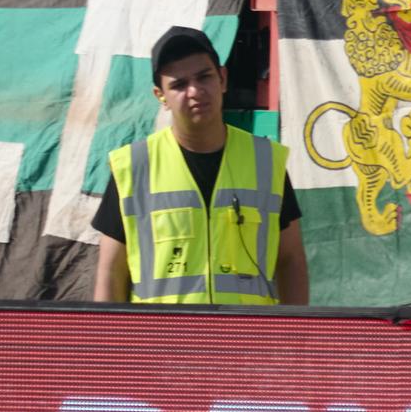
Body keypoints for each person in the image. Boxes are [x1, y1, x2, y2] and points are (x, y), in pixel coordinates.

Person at [94, 27, 307, 306]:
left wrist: (293, 342)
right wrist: (112, 346)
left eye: (204, 77)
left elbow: (291, 260)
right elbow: (111, 273)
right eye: (179, 84)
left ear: (223, 79)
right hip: (161, 344)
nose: (195, 91)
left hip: (247, 342)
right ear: (160, 95)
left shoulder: (267, 161)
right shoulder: (132, 168)